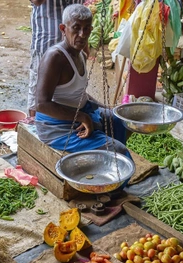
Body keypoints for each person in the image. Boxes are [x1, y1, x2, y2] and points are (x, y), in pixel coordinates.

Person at [34, 4, 131, 159]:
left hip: (78, 111)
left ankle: (107, 166)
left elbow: (78, 93)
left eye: (86, 29)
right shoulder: (55, 58)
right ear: (63, 29)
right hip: (55, 127)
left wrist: (106, 107)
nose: (82, 34)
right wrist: (81, 117)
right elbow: (41, 104)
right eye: (76, 28)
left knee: (119, 121)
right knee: (119, 152)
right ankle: (112, 167)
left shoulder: (80, 54)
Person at [27, 0, 84, 118]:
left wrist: (84, 41)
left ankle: (68, 121)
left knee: (69, 89)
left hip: (75, 44)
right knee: (39, 94)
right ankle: (33, 130)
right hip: (47, 41)